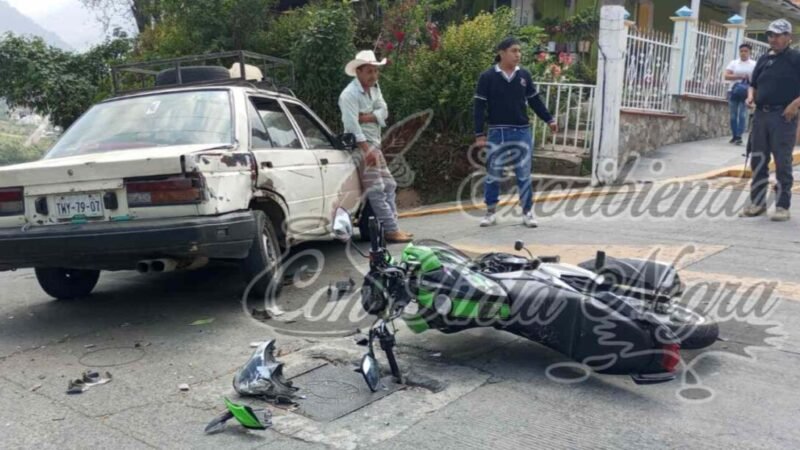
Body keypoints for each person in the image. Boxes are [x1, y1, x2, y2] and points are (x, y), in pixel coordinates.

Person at [474, 37, 558, 228]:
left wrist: (549, 119)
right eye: (513, 51)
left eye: (519, 51)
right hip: (497, 132)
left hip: (521, 132)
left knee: (523, 174)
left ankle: (527, 212)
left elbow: (534, 101)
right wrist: (479, 134)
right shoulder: (487, 77)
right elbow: (479, 107)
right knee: (494, 173)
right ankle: (490, 212)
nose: (518, 55)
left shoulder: (524, 76)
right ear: (501, 53)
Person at [339, 50, 414, 242]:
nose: (374, 75)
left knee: (389, 185)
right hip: (363, 146)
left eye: (375, 71)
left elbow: (384, 110)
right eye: (369, 71)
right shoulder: (349, 95)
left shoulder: (374, 88)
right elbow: (352, 125)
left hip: (374, 144)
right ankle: (390, 230)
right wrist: (366, 149)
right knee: (378, 189)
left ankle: (391, 227)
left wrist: (368, 116)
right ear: (359, 72)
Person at [740, 19, 800, 222]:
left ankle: (783, 205)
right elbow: (753, 84)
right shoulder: (764, 59)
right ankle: (758, 203)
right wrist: (750, 96)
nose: (773, 39)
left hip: (783, 116)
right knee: (758, 159)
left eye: (777, 35)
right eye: (770, 35)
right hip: (761, 115)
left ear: (788, 37)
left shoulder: (795, 58)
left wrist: (795, 104)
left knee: (782, 161)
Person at [724, 43, 756, 145]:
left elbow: (756, 79)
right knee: (733, 115)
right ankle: (734, 135)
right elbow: (726, 76)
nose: (743, 53)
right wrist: (739, 76)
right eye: (741, 51)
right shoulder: (734, 63)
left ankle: (739, 136)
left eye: (746, 51)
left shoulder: (754, 64)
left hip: (746, 92)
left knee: (742, 115)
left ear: (750, 52)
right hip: (733, 91)